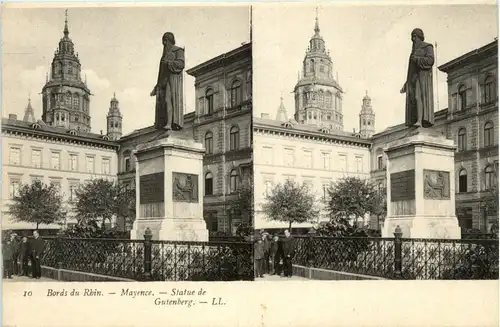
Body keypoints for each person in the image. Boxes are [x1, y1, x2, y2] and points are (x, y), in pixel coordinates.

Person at [400, 28, 435, 128]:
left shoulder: (428, 47)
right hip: (413, 79)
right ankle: (415, 120)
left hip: (422, 78)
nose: (413, 39)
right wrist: (406, 83)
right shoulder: (413, 52)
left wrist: (417, 59)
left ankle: (420, 120)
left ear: (420, 37)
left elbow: (430, 60)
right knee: (413, 100)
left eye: (415, 36)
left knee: (418, 97)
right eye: (412, 37)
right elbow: (411, 70)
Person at [150, 32, 185, 131]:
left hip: (173, 80)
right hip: (163, 82)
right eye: (163, 41)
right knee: (162, 103)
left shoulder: (178, 50)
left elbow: (181, 64)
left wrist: (169, 63)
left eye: (166, 41)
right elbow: (161, 73)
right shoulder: (164, 55)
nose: (164, 44)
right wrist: (156, 87)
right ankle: (164, 123)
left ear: (170, 41)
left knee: (168, 100)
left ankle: (170, 123)